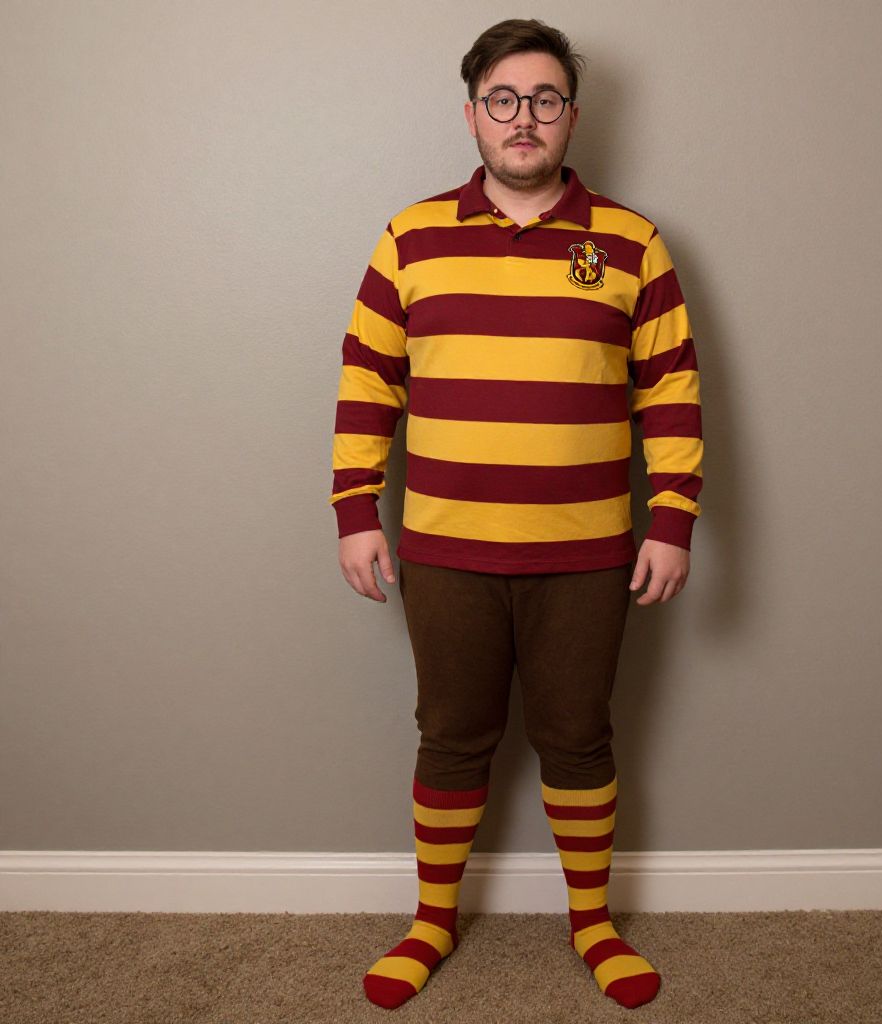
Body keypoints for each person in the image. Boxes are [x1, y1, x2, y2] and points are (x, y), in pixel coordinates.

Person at [330, 17, 703, 1011]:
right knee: (451, 735)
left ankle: (593, 924)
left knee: (578, 737)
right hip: (445, 549)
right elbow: (367, 379)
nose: (522, 117)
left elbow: (670, 389)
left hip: (587, 553)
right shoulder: (410, 237)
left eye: (543, 98)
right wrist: (355, 509)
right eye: (503, 99)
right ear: (472, 116)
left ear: (571, 116)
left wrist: (672, 518)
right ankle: (431, 920)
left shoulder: (631, 243)